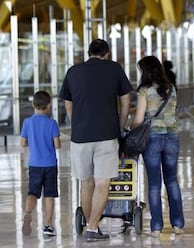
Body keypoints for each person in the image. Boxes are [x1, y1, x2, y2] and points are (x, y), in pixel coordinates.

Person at [59, 39, 132, 241]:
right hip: (107, 135)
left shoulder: (73, 71)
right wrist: (120, 124)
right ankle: (92, 228)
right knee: (102, 183)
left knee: (86, 183)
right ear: (106, 54)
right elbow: (126, 100)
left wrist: (77, 124)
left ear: (88, 52)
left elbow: (67, 104)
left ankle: (91, 226)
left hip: (80, 137)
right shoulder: (114, 69)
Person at [132, 56, 185, 238]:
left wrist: (132, 127)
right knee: (172, 180)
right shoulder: (171, 88)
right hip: (172, 137)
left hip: (152, 139)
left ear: (145, 71)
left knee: (154, 184)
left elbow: (139, 119)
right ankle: (178, 224)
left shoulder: (144, 91)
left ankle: (156, 227)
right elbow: (171, 113)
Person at [20, 90, 61, 236]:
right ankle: (48, 226)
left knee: (32, 192)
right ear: (49, 105)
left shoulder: (27, 122)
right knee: (49, 195)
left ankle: (27, 213)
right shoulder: (52, 123)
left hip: (34, 164)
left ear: (33, 104)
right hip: (49, 165)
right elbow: (57, 145)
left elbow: (23, 143)